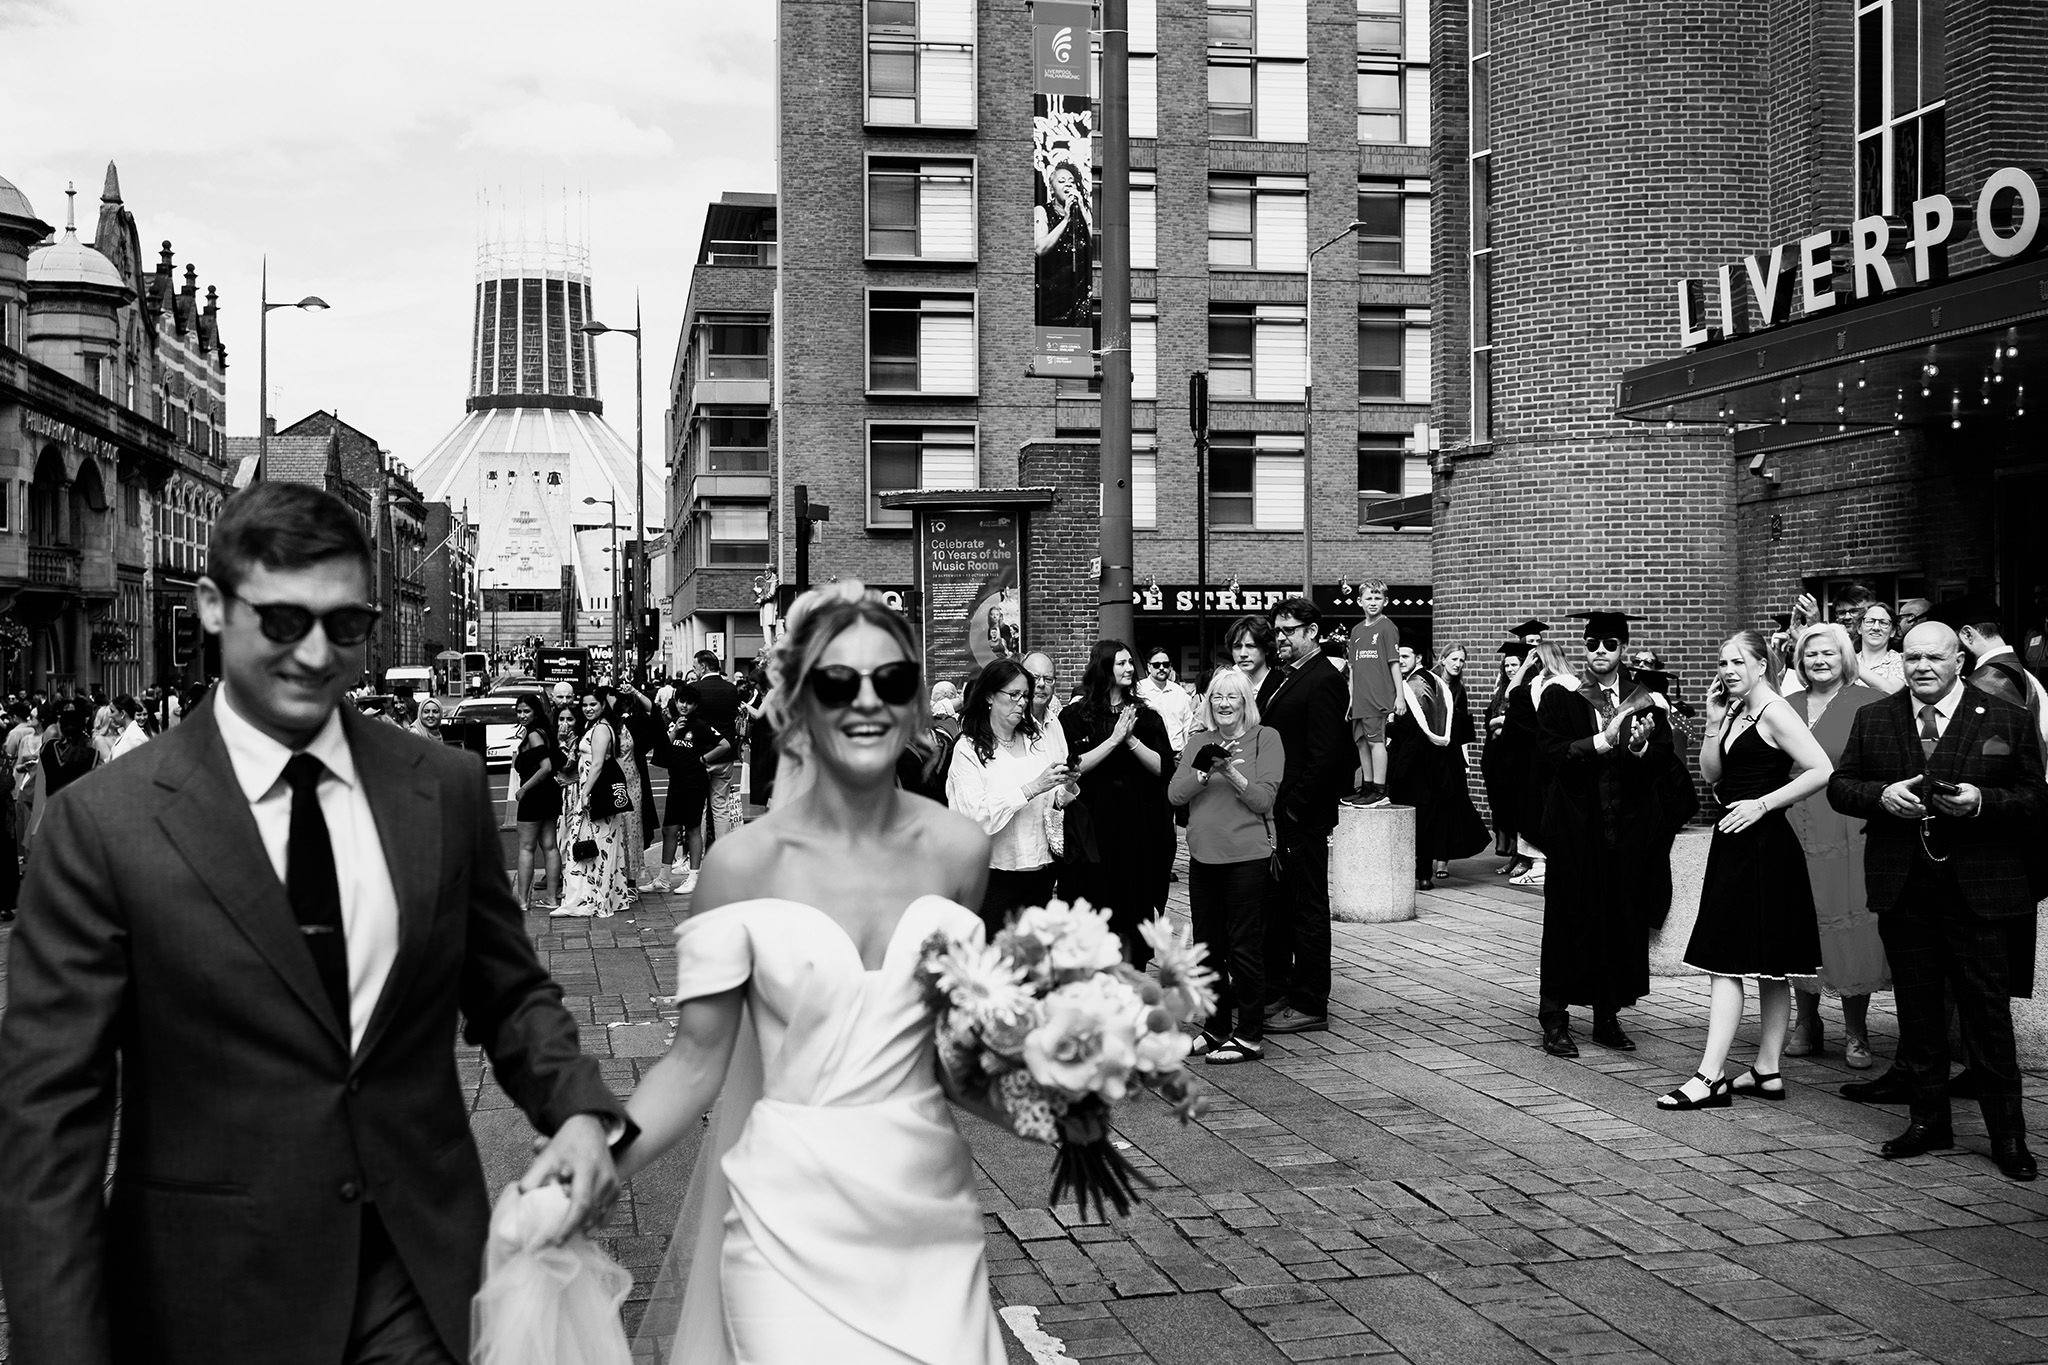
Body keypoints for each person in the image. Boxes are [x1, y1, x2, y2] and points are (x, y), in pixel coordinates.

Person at [0, 481, 627, 1364]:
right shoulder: (104, 826)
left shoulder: (439, 789)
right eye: (285, 621)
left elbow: (510, 989)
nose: (316, 653)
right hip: (211, 1297)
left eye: (347, 625)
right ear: (215, 608)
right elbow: (50, 1123)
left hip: (419, 1274)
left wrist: (579, 1111)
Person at [617, 581, 1006, 1363]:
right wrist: (595, 1157)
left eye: (891, 680)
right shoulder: (742, 866)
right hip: (784, 1229)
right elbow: (696, 1063)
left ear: (917, 702)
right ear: (798, 701)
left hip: (928, 1222)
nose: (867, 701)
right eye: (838, 682)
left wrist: (1071, 1093)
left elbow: (955, 1058)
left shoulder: (961, 852)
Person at [1827, 622, 2048, 1180]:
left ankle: (2008, 1136)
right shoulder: (1874, 718)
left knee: (1987, 1018)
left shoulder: (2006, 719)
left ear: (1959, 660)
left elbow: (2035, 798)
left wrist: (1983, 802)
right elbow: (1840, 786)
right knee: (1918, 1013)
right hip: (1905, 890)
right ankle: (1928, 1122)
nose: (1923, 667)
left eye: (1935, 657)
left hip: (1981, 893)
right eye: (1913, 657)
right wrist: (1880, 795)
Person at [1658, 631, 1832, 1109]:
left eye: (1738, 662)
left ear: (1762, 665)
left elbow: (1821, 769)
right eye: (1722, 662)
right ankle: (1766, 1071)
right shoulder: (1735, 710)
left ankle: (1709, 1076)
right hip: (1734, 844)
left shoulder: (1775, 710)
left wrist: (1763, 804)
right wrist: (1714, 724)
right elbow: (1712, 774)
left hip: (1765, 846)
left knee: (1726, 961)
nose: (1728, 670)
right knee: (1768, 966)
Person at [1535, 613, 1698, 1058]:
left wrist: (1642, 749)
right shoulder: (1562, 697)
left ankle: (1607, 1014)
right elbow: (1549, 753)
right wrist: (1603, 741)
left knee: (1619, 921)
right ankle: (1555, 1017)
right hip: (1576, 829)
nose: (1600, 651)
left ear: (1623, 648)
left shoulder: (1645, 701)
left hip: (1626, 830)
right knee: (1570, 920)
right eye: (1592, 643)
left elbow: (1663, 758)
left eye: (1609, 643)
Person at [1780, 624, 1890, 1068]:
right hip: (1791, 824)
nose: (1819, 661)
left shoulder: (1869, 703)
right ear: (1799, 662)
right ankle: (1807, 1023)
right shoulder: (1785, 705)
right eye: (1810, 655)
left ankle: (1857, 1032)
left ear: (1845, 658)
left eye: (1828, 653)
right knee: (1799, 923)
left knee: (1850, 925)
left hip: (1847, 825)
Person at [1168, 668, 1281, 1064]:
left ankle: (1249, 1034)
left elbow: (1264, 800)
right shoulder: (1198, 741)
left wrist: (1230, 770)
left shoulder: (1265, 739)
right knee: (1207, 947)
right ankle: (1215, 1028)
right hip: (1204, 859)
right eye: (1217, 697)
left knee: (1244, 947)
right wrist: (1203, 771)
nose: (1224, 704)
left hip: (1247, 858)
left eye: (1232, 697)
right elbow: (1174, 794)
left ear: (1246, 702)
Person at [1256, 597, 1352, 1034]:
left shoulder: (1325, 679)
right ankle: (1279, 987)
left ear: (1312, 632)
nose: (1281, 639)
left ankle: (1311, 999)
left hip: (1302, 816)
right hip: (1274, 811)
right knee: (1276, 904)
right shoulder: (1281, 675)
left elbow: (1328, 754)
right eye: (1277, 632)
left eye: (1289, 631)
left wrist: (1294, 806)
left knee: (1307, 907)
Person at [1058, 640, 1174, 968]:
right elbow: (1073, 766)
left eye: (1129, 663)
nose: (1128, 669)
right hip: (1092, 826)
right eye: (1120, 663)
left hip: (1136, 826)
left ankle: (1133, 971)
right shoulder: (1076, 717)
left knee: (1132, 905)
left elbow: (1163, 768)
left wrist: (1131, 739)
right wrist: (1112, 741)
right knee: (1093, 904)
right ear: (1103, 667)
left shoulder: (1146, 717)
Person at [947, 658, 1074, 931]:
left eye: (1025, 696)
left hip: (1040, 873)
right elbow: (974, 818)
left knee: (1036, 965)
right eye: (1013, 694)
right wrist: (1029, 789)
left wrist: (1067, 786)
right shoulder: (969, 749)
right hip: (993, 878)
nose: (1022, 702)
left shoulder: (1035, 740)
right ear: (990, 696)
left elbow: (1052, 801)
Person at [556, 690, 634, 919]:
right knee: (599, 846)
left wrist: (585, 794)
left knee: (590, 846)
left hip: (595, 793)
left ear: (602, 705)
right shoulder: (599, 726)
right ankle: (595, 897)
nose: (588, 709)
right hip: (594, 792)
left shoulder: (601, 728)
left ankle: (588, 900)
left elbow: (598, 763)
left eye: (593, 704)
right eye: (585, 705)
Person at [1508, 643, 1577, 887]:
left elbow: (1511, 694)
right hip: (1568, 756)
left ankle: (1539, 865)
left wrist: (1524, 665)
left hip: (1539, 757)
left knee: (1536, 808)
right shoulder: (1575, 684)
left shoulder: (1536, 687)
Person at [1387, 646, 1454, 890]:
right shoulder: (1436, 682)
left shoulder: (1411, 685)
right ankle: (1424, 874)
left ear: (1418, 658)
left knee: (1411, 819)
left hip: (1412, 765)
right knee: (1426, 819)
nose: (1400, 661)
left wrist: (1385, 726)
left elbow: (1406, 729)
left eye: (1405, 656)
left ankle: (1413, 872)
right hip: (1435, 762)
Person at [656, 685, 728, 895]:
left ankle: (694, 876)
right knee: (669, 829)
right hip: (675, 781)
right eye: (680, 701)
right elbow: (662, 751)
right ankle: (663, 878)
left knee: (693, 829)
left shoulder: (700, 725)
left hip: (694, 782)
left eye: (688, 702)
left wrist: (704, 759)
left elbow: (724, 745)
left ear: (695, 705)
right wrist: (676, 730)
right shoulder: (673, 724)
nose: (684, 706)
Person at [1430, 644, 1491, 880]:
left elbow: (1463, 729)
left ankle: (1442, 860)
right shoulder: (1430, 683)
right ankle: (1424, 856)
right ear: (1442, 659)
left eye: (1462, 660)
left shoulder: (1459, 689)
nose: (1458, 664)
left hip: (1451, 754)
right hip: (1431, 752)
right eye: (1454, 659)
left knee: (1450, 805)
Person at [1342, 580, 1403, 808]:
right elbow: (1353, 669)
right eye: (1369, 598)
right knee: (1361, 742)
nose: (1373, 602)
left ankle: (1379, 789)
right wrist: (1351, 699)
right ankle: (1367, 786)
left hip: (1378, 697)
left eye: (1378, 598)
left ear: (1385, 601)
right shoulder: (1356, 631)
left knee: (1376, 741)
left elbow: (1394, 664)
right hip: (1360, 699)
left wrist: (1400, 697)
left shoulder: (1387, 627)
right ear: (1360, 601)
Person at [507, 692, 565, 913]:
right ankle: (551, 899)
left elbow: (546, 767)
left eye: (526, 711)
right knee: (549, 845)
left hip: (535, 794)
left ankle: (522, 901)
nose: (522, 715)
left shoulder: (533, 735)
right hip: (549, 794)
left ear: (536, 712)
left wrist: (523, 788)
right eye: (519, 711)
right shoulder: (544, 731)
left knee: (526, 848)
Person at [1482, 642, 1532, 868]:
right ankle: (1512, 854)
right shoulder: (1500, 690)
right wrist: (1499, 722)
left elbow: (1520, 723)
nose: (1511, 669)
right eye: (1508, 665)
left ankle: (1522, 856)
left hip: (1516, 756)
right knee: (1501, 804)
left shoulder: (1527, 688)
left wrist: (1503, 723)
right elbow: (1488, 722)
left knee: (1517, 806)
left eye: (1515, 664)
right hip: (1496, 757)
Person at [692, 651, 745, 839]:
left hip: (700, 755)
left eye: (696, 666)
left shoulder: (695, 689)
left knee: (699, 808)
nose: (694, 670)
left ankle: (697, 856)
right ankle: (721, 851)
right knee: (720, 805)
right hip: (725, 754)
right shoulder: (731, 689)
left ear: (703, 666)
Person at [1136, 647, 1194, 754]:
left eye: (1165, 664)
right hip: (1150, 754)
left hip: (1177, 753)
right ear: (1149, 667)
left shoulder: (1179, 691)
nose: (1162, 668)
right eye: (1156, 665)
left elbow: (1187, 724)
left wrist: (1188, 750)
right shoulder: (1139, 690)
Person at [1854, 601, 1905, 694]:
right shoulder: (1852, 659)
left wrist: (1851, 664)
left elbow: (1891, 690)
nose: (1876, 627)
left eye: (1883, 623)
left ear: (1893, 631)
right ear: (1859, 628)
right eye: (1870, 621)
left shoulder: (1899, 661)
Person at [1227, 614, 1279, 707]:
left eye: (1251, 646)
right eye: (1237, 646)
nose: (1243, 654)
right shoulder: (1226, 685)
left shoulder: (1281, 685)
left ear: (1266, 648)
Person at [1021, 651, 1062, 729]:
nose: (1042, 684)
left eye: (1048, 679)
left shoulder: (1054, 723)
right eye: (1034, 678)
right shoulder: (1012, 724)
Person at [108, 693, 149, 760]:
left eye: (112, 711)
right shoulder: (128, 734)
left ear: (122, 713)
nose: (110, 715)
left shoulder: (135, 738)